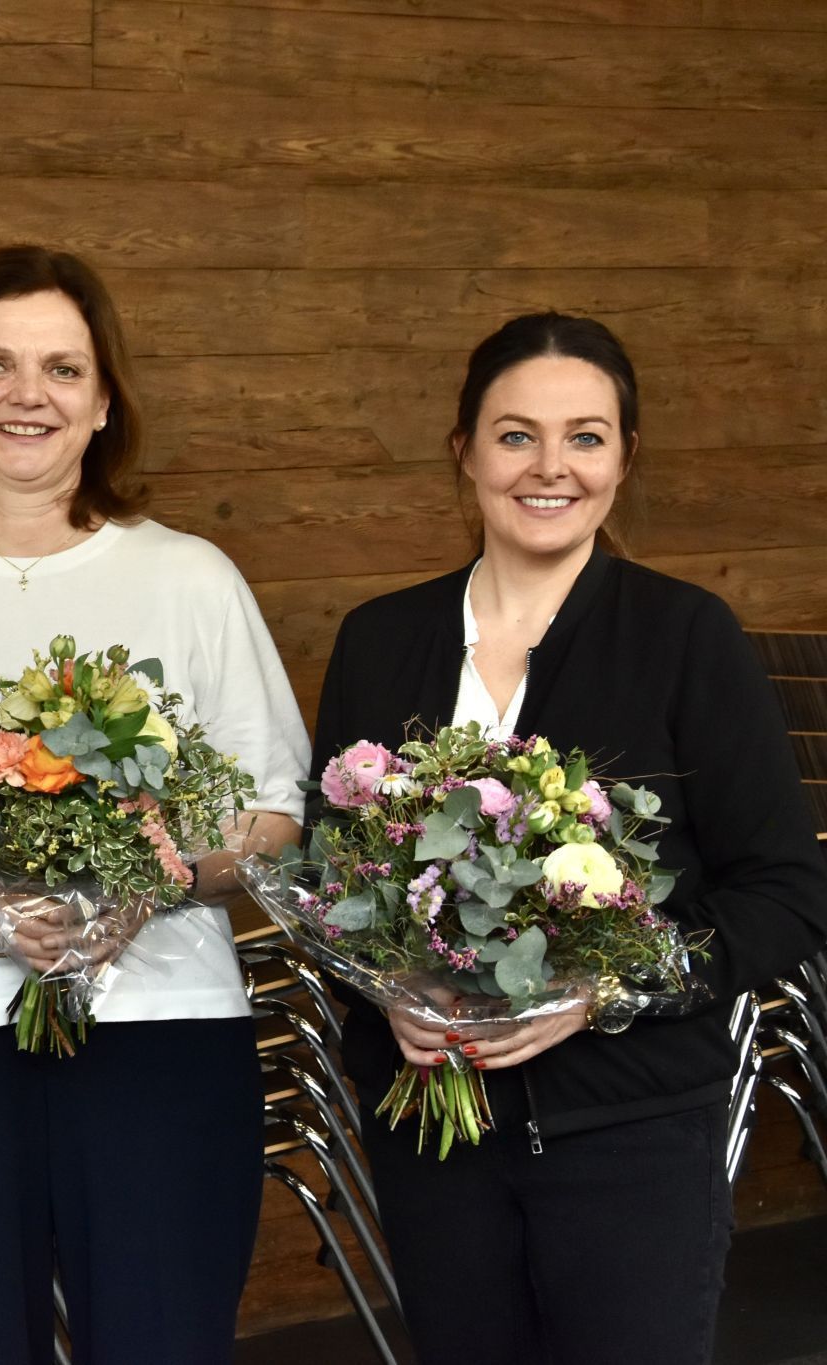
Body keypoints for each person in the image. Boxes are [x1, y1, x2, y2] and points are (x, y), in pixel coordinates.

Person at [0, 246, 309, 1365]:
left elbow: (273, 817)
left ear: (102, 403)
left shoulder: (189, 577)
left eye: (62, 368)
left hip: (162, 1030)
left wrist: (158, 877)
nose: (25, 395)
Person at [307, 312, 827, 1365]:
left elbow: (785, 891)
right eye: (516, 435)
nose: (550, 467)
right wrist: (387, 995)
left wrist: (605, 990)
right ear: (463, 450)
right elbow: (328, 881)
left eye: (584, 437)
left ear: (623, 458)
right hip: (431, 1129)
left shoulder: (684, 636)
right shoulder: (379, 639)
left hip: (629, 1135)